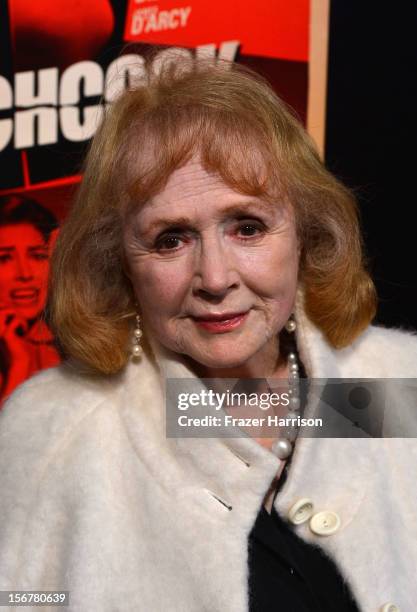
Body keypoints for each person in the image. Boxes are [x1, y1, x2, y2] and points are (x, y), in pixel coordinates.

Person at [0, 57, 416, 612]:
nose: (216, 279)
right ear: (118, 260)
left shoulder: (389, 382)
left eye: (247, 227)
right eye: (171, 239)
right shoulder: (57, 430)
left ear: (306, 234)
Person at [0, 195, 60, 403]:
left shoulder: (78, 339)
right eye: (4, 258)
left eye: (37, 256)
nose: (25, 274)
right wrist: (19, 363)